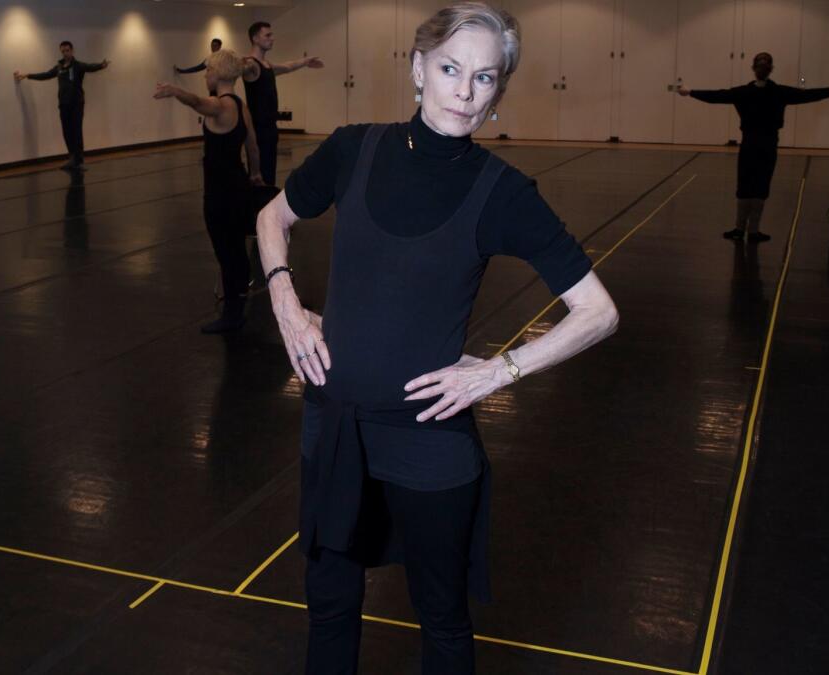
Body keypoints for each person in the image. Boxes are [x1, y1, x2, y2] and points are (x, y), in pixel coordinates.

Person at [255, 3, 618, 672]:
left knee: (442, 617)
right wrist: (284, 294)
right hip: (332, 421)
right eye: (451, 69)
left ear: (499, 91)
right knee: (329, 600)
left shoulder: (502, 191)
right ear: (419, 69)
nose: (465, 91)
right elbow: (272, 216)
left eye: (485, 78)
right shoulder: (352, 148)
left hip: (428, 437)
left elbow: (597, 311)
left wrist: (498, 372)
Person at [679, 53, 829, 242]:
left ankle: (739, 229)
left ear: (753, 69)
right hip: (768, 146)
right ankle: (753, 231)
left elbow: (716, 96)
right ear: (770, 70)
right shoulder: (779, 92)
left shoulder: (743, 92)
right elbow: (809, 95)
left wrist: (690, 92)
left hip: (749, 145)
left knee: (745, 186)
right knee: (761, 186)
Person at [155, 49, 269, 334]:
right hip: (239, 186)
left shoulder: (222, 106)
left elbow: (196, 102)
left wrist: (174, 90)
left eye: (207, 71)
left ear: (217, 74)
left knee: (227, 252)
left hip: (221, 194)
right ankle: (237, 306)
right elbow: (253, 146)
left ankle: (233, 314)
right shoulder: (241, 106)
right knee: (235, 251)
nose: (205, 76)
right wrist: (255, 174)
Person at [242, 21, 323, 186]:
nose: (272, 38)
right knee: (259, 174)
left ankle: (265, 205)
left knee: (269, 172)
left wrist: (305, 61)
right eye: (268, 35)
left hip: (270, 127)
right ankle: (256, 207)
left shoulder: (267, 65)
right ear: (255, 38)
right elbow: (238, 68)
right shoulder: (251, 65)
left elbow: (287, 66)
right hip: (257, 128)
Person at [15, 41, 109, 170]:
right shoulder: (59, 67)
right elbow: (46, 75)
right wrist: (28, 75)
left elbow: (90, 67)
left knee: (76, 131)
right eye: (63, 51)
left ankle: (79, 161)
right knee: (66, 131)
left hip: (76, 104)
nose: (65, 53)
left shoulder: (77, 66)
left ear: (72, 50)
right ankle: (72, 158)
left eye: (67, 50)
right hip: (63, 104)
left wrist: (101, 65)